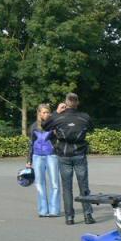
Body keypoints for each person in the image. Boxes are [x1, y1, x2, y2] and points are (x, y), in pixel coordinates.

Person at [42, 92, 95, 225]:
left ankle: (69, 218)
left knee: (67, 187)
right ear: (77, 103)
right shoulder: (84, 117)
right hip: (79, 153)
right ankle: (88, 216)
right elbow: (91, 128)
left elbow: (45, 126)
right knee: (84, 185)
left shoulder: (58, 117)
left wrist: (56, 112)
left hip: (64, 154)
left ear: (65, 103)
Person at [26, 103, 60, 217]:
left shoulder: (54, 125)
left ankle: (54, 210)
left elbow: (60, 138)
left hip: (51, 155)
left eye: (48, 112)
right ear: (39, 113)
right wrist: (29, 160)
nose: (46, 114)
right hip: (37, 156)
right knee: (39, 184)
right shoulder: (34, 126)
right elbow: (31, 144)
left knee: (54, 183)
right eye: (44, 112)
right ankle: (43, 210)